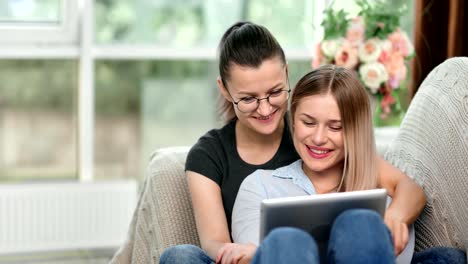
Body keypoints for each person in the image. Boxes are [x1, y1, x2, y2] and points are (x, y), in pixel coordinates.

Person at [159, 22, 426, 264]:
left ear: (287, 75)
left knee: (436, 255)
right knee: (181, 257)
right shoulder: (214, 157)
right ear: (225, 90)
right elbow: (215, 242)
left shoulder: (315, 134)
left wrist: (395, 218)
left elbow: (406, 187)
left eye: (275, 92)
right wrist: (254, 252)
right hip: (256, 255)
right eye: (249, 99)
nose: (265, 110)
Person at [231, 65, 424, 264]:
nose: (318, 138)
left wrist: (394, 219)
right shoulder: (260, 185)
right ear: (294, 121)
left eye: (335, 127)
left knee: (360, 224)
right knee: (285, 240)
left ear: (355, 131)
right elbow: (256, 254)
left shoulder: (385, 202)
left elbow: (413, 190)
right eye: (308, 122)